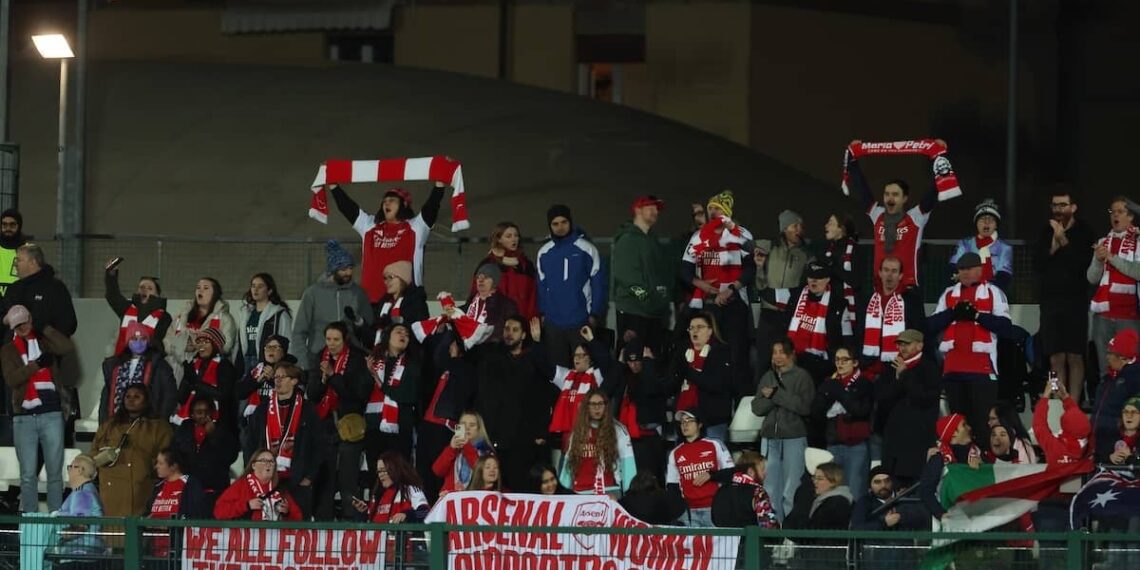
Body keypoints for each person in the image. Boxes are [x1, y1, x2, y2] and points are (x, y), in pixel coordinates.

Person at [928, 252, 1012, 443]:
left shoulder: (993, 292)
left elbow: (1005, 326)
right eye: (961, 269)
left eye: (969, 268)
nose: (965, 272)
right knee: (958, 428)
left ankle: (983, 458)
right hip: (953, 371)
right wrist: (953, 312)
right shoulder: (948, 294)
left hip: (983, 371)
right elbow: (930, 325)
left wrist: (977, 316)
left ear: (980, 269)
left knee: (983, 425)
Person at [844, 140, 948, 290]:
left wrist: (939, 156)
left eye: (895, 194)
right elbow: (861, 188)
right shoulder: (877, 215)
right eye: (886, 194)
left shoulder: (916, 217)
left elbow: (934, 190)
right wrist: (853, 159)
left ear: (905, 198)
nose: (890, 198)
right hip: (881, 289)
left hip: (907, 289)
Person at [681, 190, 755, 398]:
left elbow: (750, 269)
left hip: (735, 303)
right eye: (710, 208)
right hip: (710, 306)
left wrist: (731, 289)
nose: (712, 212)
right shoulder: (699, 236)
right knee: (710, 357)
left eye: (717, 209)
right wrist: (701, 284)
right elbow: (685, 269)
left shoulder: (741, 234)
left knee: (737, 358)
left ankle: (740, 406)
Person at [2, 304, 75, 513]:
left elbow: (66, 347)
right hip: (24, 416)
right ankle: (30, 521)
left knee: (54, 473)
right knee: (27, 475)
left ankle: (55, 519)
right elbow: (12, 379)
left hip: (51, 413)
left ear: (31, 320)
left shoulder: (45, 342)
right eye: (17, 326)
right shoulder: (8, 349)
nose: (22, 328)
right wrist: (37, 365)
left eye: (24, 323)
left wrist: (46, 329)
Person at [327, 180, 445, 303]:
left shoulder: (416, 227)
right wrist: (333, 185)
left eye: (392, 200)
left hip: (405, 302)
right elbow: (347, 207)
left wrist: (440, 184)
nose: (386, 203)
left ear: (404, 204)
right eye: (384, 201)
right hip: (370, 302)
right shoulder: (370, 226)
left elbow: (432, 206)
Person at [476, 316, 556, 490]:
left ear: (523, 335)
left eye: (514, 330)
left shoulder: (532, 360)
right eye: (506, 329)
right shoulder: (494, 359)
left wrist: (542, 432)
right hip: (499, 439)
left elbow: (545, 396)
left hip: (526, 441)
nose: (509, 333)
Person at [1035, 189, 1096, 404]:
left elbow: (1084, 267)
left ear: (1073, 207)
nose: (1058, 209)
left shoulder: (1085, 232)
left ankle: (1074, 405)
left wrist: (1064, 242)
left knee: (1075, 356)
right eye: (1055, 205)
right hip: (1050, 302)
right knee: (1055, 357)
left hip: (1075, 302)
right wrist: (1053, 247)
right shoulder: (1046, 231)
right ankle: (1058, 404)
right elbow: (1037, 265)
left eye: (1063, 205)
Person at [307, 321, 371, 520]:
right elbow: (312, 394)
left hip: (349, 425)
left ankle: (351, 520)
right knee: (325, 477)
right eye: (328, 339)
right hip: (325, 424)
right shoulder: (320, 357)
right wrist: (323, 379)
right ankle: (323, 521)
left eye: (336, 339)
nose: (331, 343)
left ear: (345, 340)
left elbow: (357, 395)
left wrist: (334, 376)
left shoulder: (357, 359)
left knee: (347, 478)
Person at [751, 337, 815, 523]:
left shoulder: (802, 376)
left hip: (794, 438)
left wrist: (775, 394)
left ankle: (790, 531)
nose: (777, 356)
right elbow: (757, 407)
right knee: (770, 488)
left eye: (782, 352)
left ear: (791, 354)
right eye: (774, 352)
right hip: (770, 438)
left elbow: (804, 407)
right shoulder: (768, 376)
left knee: (791, 488)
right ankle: (773, 529)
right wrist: (775, 398)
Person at [536, 204, 608, 367]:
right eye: (555, 224)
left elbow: (599, 284)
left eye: (564, 222)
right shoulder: (544, 252)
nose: (560, 227)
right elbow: (541, 286)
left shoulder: (587, 249)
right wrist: (543, 313)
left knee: (585, 369)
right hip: (554, 323)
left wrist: (595, 314)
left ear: (570, 222)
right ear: (550, 226)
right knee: (557, 370)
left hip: (580, 321)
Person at [248, 363, 320, 519]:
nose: (278, 380)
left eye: (282, 377)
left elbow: (318, 446)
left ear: (294, 381)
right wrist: (253, 472)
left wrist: (309, 477)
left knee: (296, 527)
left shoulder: (307, 409)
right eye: (276, 377)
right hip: (267, 479)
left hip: (297, 480)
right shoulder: (263, 409)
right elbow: (251, 442)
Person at [92, 384, 173, 517]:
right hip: (111, 490)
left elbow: (166, 458)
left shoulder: (159, 427)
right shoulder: (109, 426)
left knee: (137, 526)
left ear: (146, 400)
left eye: (137, 397)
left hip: (142, 489)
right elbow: (94, 453)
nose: (131, 400)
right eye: (128, 396)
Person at [291, 240, 373, 371]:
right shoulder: (312, 293)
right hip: (318, 358)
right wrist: (302, 363)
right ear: (332, 270)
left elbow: (369, 327)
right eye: (343, 269)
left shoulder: (358, 293)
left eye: (350, 268)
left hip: (351, 359)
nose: (348, 273)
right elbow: (299, 332)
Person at [760, 262, 849, 383]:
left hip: (820, 362)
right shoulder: (795, 294)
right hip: (793, 356)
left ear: (828, 279)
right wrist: (760, 268)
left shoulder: (838, 305)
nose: (813, 281)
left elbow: (847, 340)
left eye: (818, 277)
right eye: (811, 277)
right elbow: (765, 292)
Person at [877, 330, 941, 487]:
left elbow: (924, 398)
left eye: (907, 344)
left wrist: (905, 375)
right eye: (900, 344)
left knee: (915, 485)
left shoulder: (929, 368)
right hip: (894, 439)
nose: (902, 348)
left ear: (920, 346)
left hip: (918, 439)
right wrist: (898, 379)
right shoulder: (891, 367)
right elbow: (882, 398)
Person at [611, 196, 673, 358]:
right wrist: (646, 297)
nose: (655, 212)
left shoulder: (653, 241)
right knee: (632, 360)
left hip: (653, 313)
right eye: (650, 207)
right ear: (637, 210)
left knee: (651, 360)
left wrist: (661, 300)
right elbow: (626, 277)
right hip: (633, 312)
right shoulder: (627, 239)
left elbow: (661, 275)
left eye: (657, 209)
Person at [1087, 197, 1140, 383]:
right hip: (1103, 316)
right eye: (1112, 212)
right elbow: (1092, 278)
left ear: (1130, 216)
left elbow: (1137, 272)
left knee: (1132, 370)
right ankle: (1106, 400)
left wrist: (1112, 257)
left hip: (1130, 316)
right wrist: (1098, 260)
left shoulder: (1138, 240)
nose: (1115, 215)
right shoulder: (1103, 241)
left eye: (1120, 212)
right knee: (1106, 371)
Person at [811, 346, 873, 498]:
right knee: (833, 491)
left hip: (856, 446)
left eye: (845, 360)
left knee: (855, 491)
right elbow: (816, 412)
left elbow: (861, 411)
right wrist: (827, 394)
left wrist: (839, 392)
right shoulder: (829, 383)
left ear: (855, 363)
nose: (840, 364)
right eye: (837, 360)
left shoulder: (864, 383)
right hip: (833, 444)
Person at [605, 337, 667, 481]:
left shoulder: (655, 372)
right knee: (627, 479)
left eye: (637, 361)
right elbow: (604, 391)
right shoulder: (623, 376)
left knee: (649, 480)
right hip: (624, 437)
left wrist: (648, 363)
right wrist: (619, 365)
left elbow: (650, 389)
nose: (633, 365)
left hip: (648, 437)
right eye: (629, 361)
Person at [858, 256, 926, 378]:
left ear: (900, 276)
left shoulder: (912, 300)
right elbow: (860, 332)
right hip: (869, 364)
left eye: (894, 271)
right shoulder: (868, 300)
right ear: (880, 273)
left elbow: (919, 332)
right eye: (886, 270)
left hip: (900, 364)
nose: (889, 275)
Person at [558, 389, 636, 496]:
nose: (597, 408)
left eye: (600, 404)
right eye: (593, 404)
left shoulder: (618, 430)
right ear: (586, 407)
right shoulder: (578, 431)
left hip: (609, 491)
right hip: (580, 492)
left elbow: (628, 465)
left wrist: (630, 496)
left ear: (606, 406)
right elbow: (569, 465)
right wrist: (562, 494)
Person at [671, 312, 733, 443]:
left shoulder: (720, 352)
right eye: (691, 328)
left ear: (710, 331)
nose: (695, 331)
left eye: (700, 327)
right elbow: (672, 384)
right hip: (684, 420)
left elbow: (716, 384)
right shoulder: (683, 353)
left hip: (711, 421)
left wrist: (687, 371)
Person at [665, 409, 733, 527]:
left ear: (700, 424)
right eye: (682, 422)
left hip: (714, 508)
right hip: (689, 512)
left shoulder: (715, 444)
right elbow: (672, 486)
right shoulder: (675, 452)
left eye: (689, 421)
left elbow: (732, 473)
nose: (685, 425)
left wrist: (711, 475)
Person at [849, 466, 928, 568]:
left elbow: (923, 518)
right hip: (875, 559)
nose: (883, 485)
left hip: (906, 559)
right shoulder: (864, 502)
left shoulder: (906, 499)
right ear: (870, 486)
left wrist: (901, 516)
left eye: (887, 481)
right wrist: (884, 522)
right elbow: (857, 529)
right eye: (877, 482)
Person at [366, 323, 421, 469]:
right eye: (399, 332)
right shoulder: (374, 361)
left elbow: (408, 395)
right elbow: (362, 392)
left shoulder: (412, 365)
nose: (404, 335)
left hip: (400, 428)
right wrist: (368, 374)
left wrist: (379, 382)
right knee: (375, 472)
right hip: (374, 426)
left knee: (399, 472)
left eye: (407, 334)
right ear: (388, 337)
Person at [100, 321, 177, 423]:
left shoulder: (159, 365)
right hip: (118, 423)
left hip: (148, 424)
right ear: (128, 342)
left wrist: (159, 422)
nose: (139, 343)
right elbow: (106, 398)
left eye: (143, 339)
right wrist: (104, 424)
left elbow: (169, 395)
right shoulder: (115, 367)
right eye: (134, 339)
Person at [172, 396, 239, 512]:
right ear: (192, 414)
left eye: (207, 412)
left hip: (215, 489)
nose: (203, 415)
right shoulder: (184, 430)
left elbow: (230, 456)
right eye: (199, 412)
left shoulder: (222, 429)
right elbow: (176, 454)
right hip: (189, 489)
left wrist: (214, 435)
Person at [235, 334, 293, 462]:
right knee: (251, 463)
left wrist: (272, 380)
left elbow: (290, 395)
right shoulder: (257, 369)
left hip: (278, 426)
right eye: (268, 347)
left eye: (275, 347)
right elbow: (239, 392)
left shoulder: (290, 370)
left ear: (283, 351)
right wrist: (256, 382)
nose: (270, 350)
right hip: (253, 425)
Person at [0, 243, 77, 338]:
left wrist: (36, 327)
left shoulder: (55, 288)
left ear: (32, 263)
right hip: (14, 346)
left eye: (19, 260)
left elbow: (68, 323)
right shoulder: (13, 289)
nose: (15, 264)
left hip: (45, 345)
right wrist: (5, 320)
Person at [163, 277, 236, 376]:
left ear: (215, 293)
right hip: (176, 371)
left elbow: (227, 347)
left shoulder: (225, 318)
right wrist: (181, 346)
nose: (200, 290)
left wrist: (198, 348)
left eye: (206, 288)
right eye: (198, 288)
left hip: (207, 371)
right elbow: (166, 341)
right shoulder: (182, 315)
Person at [144, 448, 209, 559]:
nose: (156, 467)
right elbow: (148, 512)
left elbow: (196, 515)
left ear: (173, 466)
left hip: (179, 552)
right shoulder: (158, 487)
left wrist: (170, 525)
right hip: (155, 551)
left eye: (161, 463)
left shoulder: (190, 485)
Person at [468, 222, 539, 321]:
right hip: (494, 321)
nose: (514, 239)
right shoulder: (488, 264)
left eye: (516, 235)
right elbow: (476, 294)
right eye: (508, 236)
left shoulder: (526, 265)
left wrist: (533, 318)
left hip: (521, 322)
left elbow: (533, 296)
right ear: (499, 239)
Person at [172, 327, 239, 429]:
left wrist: (196, 383)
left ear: (215, 345)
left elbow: (223, 394)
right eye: (199, 342)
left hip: (216, 422)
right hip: (190, 419)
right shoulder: (194, 363)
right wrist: (186, 381)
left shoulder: (224, 365)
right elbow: (181, 398)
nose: (201, 345)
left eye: (206, 342)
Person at [547, 326, 606, 440]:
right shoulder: (567, 375)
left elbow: (605, 360)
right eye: (575, 355)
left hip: (589, 434)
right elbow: (545, 367)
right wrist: (537, 342)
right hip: (568, 436)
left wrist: (591, 340)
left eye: (581, 355)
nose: (576, 359)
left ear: (591, 359)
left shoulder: (596, 375)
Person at [1092, 329, 1140, 465]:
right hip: (1100, 445)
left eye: (1111, 353)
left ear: (1123, 357)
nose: (1107, 357)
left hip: (1119, 447)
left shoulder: (1134, 379)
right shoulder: (1107, 379)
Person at [213, 448, 302, 521]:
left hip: (273, 536)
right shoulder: (242, 485)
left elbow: (298, 517)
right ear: (254, 465)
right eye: (263, 461)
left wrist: (287, 512)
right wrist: (247, 506)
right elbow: (219, 511)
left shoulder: (280, 488)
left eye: (271, 461)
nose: (268, 464)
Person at [104, 258, 170, 354]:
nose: (144, 290)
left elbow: (161, 343)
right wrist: (111, 275)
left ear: (157, 295)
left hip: (149, 360)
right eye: (141, 287)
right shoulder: (127, 308)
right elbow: (113, 295)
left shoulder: (164, 317)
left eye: (150, 288)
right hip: (123, 359)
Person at [950, 199, 1013, 292]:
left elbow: (1004, 276)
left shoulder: (1004, 248)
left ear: (996, 225)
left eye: (990, 220)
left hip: (993, 292)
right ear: (976, 224)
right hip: (966, 290)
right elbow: (954, 269)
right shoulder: (965, 244)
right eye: (982, 219)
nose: (986, 223)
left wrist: (985, 289)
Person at [235, 273, 293, 374]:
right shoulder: (246, 314)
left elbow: (287, 342)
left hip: (267, 361)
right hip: (247, 360)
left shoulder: (279, 314)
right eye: (253, 286)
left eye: (260, 286)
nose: (255, 289)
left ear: (269, 291)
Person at [352, 452, 429, 523]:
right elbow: (369, 524)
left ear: (395, 469)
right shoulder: (377, 495)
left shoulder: (410, 489)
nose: (381, 475)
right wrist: (363, 512)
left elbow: (425, 512)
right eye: (379, 471)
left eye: (384, 470)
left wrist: (407, 515)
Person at [52, 455, 105, 558]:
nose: (69, 471)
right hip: (84, 551)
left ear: (79, 470)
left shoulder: (82, 493)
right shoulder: (87, 490)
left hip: (79, 552)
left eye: (71, 467)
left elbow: (80, 526)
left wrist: (58, 534)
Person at [710, 450, 778, 529]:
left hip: (723, 537)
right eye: (762, 469)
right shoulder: (758, 493)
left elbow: (714, 519)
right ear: (751, 472)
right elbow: (769, 526)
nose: (765, 473)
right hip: (750, 536)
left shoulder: (721, 490)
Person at [433, 411, 495, 496]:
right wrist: (451, 449)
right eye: (463, 424)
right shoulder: (454, 449)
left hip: (474, 498)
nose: (467, 428)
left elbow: (480, 471)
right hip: (452, 497)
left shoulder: (486, 451)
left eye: (472, 425)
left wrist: (467, 447)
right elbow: (438, 471)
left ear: (479, 429)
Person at [820, 212, 860, 341]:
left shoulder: (855, 249)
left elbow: (855, 281)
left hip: (847, 309)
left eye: (831, 223)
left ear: (841, 228)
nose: (826, 226)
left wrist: (833, 267)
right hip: (829, 307)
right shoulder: (828, 250)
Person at [1034, 381, 1091, 464]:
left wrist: (1045, 397)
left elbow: (1039, 426)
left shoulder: (1054, 446)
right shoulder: (1090, 444)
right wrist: (1065, 397)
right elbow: (1076, 418)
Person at [463, 263, 519, 343]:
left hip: (492, 348)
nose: (480, 280)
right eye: (478, 277)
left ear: (495, 281)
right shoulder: (471, 302)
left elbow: (509, 333)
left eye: (486, 277)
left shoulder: (507, 305)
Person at [373, 260, 428, 334]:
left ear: (403, 279)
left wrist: (392, 321)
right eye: (385, 278)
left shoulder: (415, 301)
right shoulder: (384, 302)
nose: (386, 282)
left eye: (390, 277)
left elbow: (418, 329)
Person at [1101, 395, 1140, 466]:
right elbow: (1095, 457)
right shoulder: (1111, 436)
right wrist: (1109, 457)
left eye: (1134, 412)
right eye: (1125, 412)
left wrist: (1130, 458)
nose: (1129, 416)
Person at [0, 209, 27, 298]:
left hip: (19, 300)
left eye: (12, 225)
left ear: (19, 226)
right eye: (4, 224)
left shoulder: (28, 250)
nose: (8, 228)